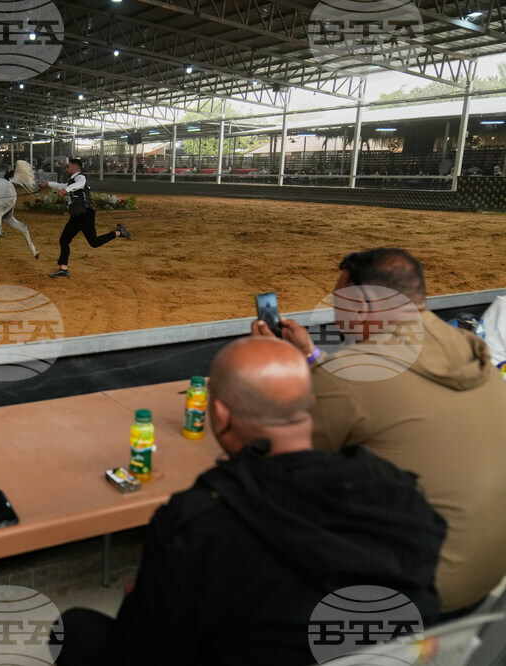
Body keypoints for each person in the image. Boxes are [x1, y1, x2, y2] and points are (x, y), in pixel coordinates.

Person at [55, 337, 445, 666]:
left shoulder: (197, 520)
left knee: (75, 628)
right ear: (308, 405)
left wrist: (141, 601)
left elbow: (148, 653)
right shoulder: (396, 489)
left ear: (220, 416)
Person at [252, 247, 506, 615]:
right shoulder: (472, 352)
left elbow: (284, 463)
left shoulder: (355, 374)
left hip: (410, 597)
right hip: (483, 588)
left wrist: (267, 365)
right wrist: (311, 357)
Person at [40, 158, 132, 279]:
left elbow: (79, 185)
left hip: (85, 215)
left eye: (68, 167)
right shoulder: (72, 181)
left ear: (74, 167)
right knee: (64, 240)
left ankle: (119, 232)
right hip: (76, 216)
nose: (66, 169)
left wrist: (65, 190)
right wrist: (48, 184)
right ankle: (63, 269)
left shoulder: (80, 178)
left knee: (94, 243)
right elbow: (62, 185)